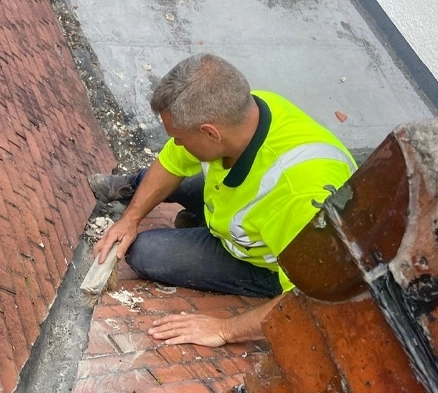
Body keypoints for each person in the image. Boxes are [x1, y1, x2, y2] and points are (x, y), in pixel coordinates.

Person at [91, 54, 356, 348]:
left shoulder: (300, 196)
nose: (176, 143)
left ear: (210, 133)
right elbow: (173, 161)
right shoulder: (244, 111)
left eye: (179, 137)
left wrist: (225, 329)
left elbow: (309, 299)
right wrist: (130, 219)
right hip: (242, 210)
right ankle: (192, 216)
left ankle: (201, 225)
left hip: (270, 259)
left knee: (145, 253)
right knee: (178, 177)